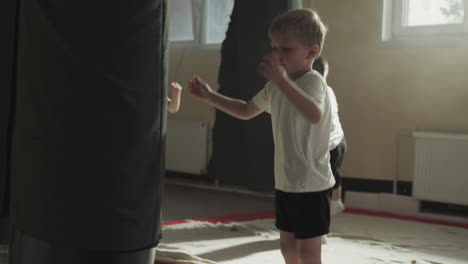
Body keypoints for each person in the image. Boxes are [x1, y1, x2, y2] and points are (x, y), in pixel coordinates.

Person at [189, 8, 333, 264]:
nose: (278, 55)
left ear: (311, 52)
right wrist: (210, 96)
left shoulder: (313, 82)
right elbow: (246, 110)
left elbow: (315, 114)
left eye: (286, 49)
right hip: (286, 182)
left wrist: (282, 81)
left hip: (312, 184)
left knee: (308, 252)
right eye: (274, 48)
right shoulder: (275, 87)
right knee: (287, 247)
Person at [313, 56, 347, 216]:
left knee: (321, 188)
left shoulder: (316, 94)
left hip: (330, 148)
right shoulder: (329, 89)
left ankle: (320, 230)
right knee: (333, 174)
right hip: (340, 141)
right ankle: (336, 202)